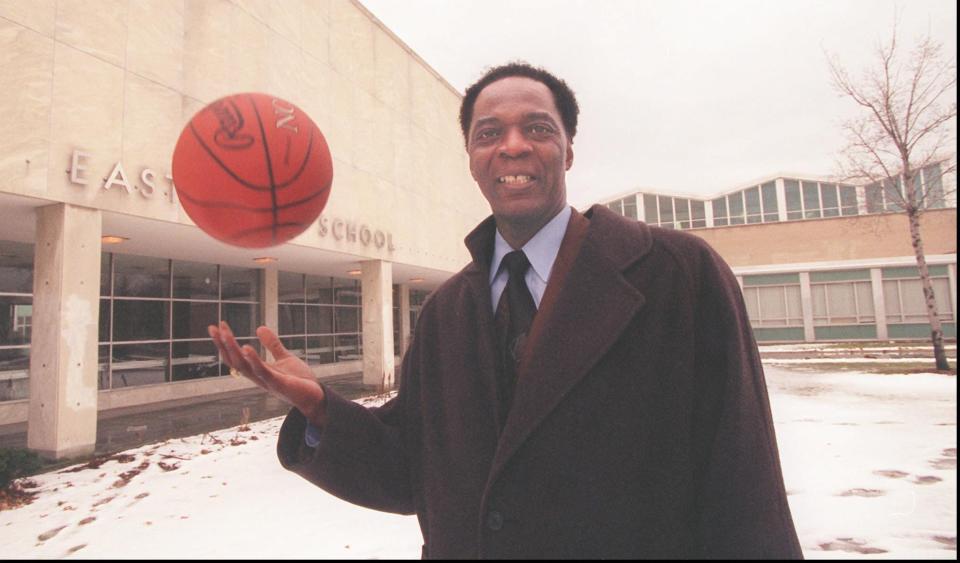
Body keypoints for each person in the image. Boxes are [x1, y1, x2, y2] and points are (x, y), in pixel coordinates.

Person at [210, 62, 803, 559]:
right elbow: (414, 471)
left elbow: (744, 483)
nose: (511, 145)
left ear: (568, 150)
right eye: (488, 133)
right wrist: (320, 409)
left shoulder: (679, 274)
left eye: (537, 128)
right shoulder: (446, 312)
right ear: (471, 156)